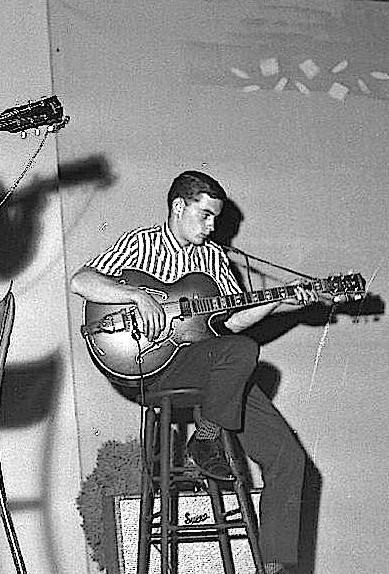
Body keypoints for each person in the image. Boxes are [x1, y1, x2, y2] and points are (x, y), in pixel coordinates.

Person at [70, 171, 319, 574]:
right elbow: (81, 281)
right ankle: (205, 440)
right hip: (156, 368)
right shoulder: (141, 244)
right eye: (205, 216)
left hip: (210, 369)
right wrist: (137, 296)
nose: (212, 227)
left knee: (289, 458)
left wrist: (281, 301)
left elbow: (232, 321)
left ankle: (273, 569)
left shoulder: (214, 258)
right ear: (178, 206)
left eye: (215, 218)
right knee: (242, 352)